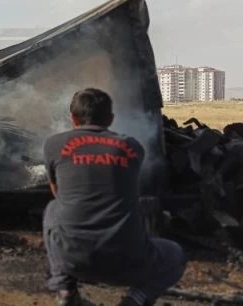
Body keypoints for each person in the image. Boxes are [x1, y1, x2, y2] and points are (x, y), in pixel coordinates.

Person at [42, 88, 186, 306]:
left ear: (72, 118)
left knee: (53, 209)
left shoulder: (53, 144)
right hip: (128, 260)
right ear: (110, 119)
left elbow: (58, 193)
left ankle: (65, 292)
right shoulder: (132, 147)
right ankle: (135, 299)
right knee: (175, 255)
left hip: (74, 260)